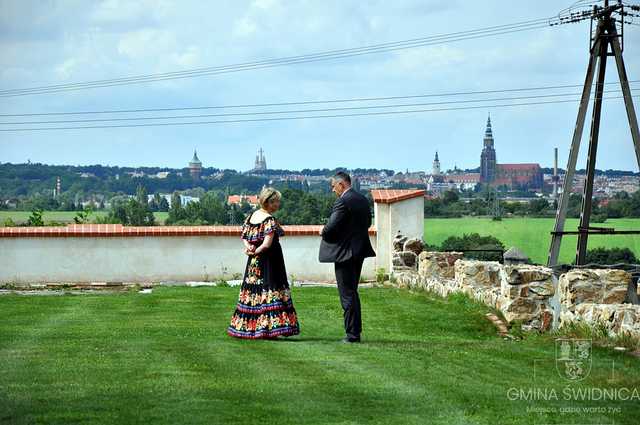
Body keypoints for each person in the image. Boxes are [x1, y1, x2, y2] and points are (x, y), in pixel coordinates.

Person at [227, 187, 300, 339]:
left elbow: (244, 237)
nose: (278, 205)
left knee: (254, 291)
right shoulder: (269, 220)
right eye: (276, 202)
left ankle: (248, 328)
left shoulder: (252, 216)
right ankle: (269, 329)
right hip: (270, 261)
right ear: (268, 202)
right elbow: (267, 244)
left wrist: (250, 250)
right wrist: (257, 251)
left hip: (253, 262)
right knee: (270, 288)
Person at [319, 171, 376, 343]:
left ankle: (352, 334)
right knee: (352, 292)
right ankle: (355, 331)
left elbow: (331, 227)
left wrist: (323, 231)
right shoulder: (362, 199)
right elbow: (367, 223)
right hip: (359, 251)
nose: (332, 190)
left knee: (347, 294)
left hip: (344, 254)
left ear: (341, 184)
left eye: (333, 186)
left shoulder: (342, 201)